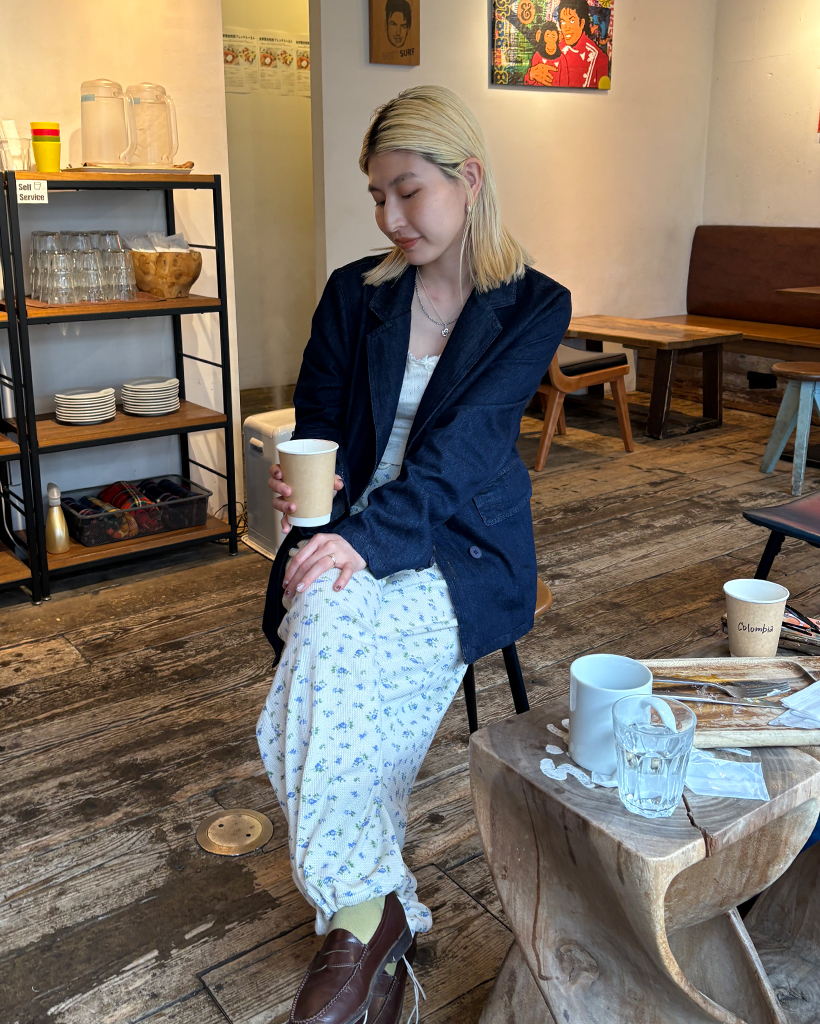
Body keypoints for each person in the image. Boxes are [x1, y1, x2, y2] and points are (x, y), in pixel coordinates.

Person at [257, 85, 571, 1024]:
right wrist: (310, 485)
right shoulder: (356, 293)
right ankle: (375, 910)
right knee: (324, 631)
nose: (390, 217)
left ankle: (361, 921)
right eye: (376, 197)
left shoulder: (533, 305)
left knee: (313, 678)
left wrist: (360, 538)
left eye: (408, 192)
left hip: (459, 543)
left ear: (467, 179)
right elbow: (320, 422)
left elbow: (464, 455)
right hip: (351, 524)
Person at [538, 0, 610, 89]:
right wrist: (531, 76)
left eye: (572, 21)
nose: (566, 28)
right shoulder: (554, 49)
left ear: (582, 23)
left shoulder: (599, 58)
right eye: (563, 22)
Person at [524, 20, 563, 87]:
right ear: (539, 36)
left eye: (553, 36)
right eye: (548, 36)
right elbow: (533, 82)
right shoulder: (537, 56)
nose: (550, 41)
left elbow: (565, 80)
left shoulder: (562, 58)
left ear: (559, 37)